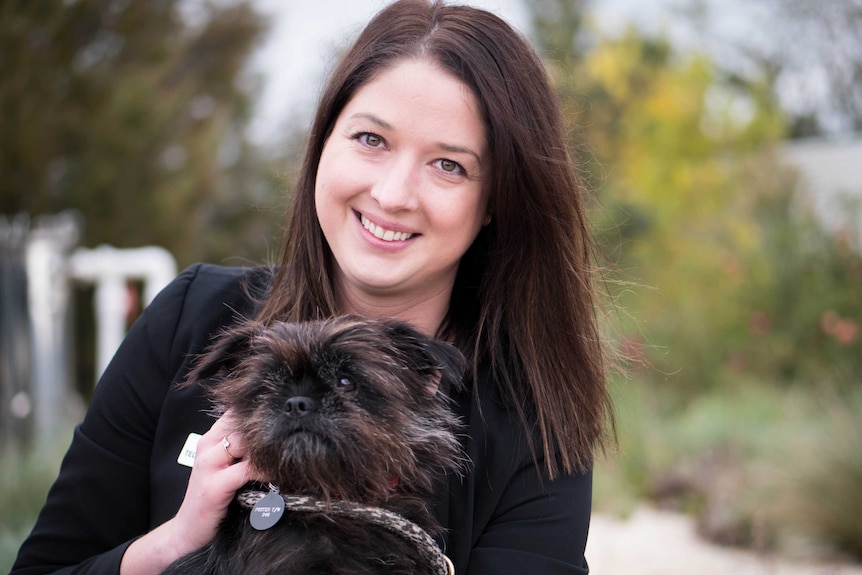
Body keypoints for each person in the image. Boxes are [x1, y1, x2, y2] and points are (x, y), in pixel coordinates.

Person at [12, 0, 614, 573]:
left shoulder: (529, 427)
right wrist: (178, 539)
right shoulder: (193, 319)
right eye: (371, 139)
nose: (393, 193)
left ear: (495, 202)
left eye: (448, 164)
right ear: (322, 143)